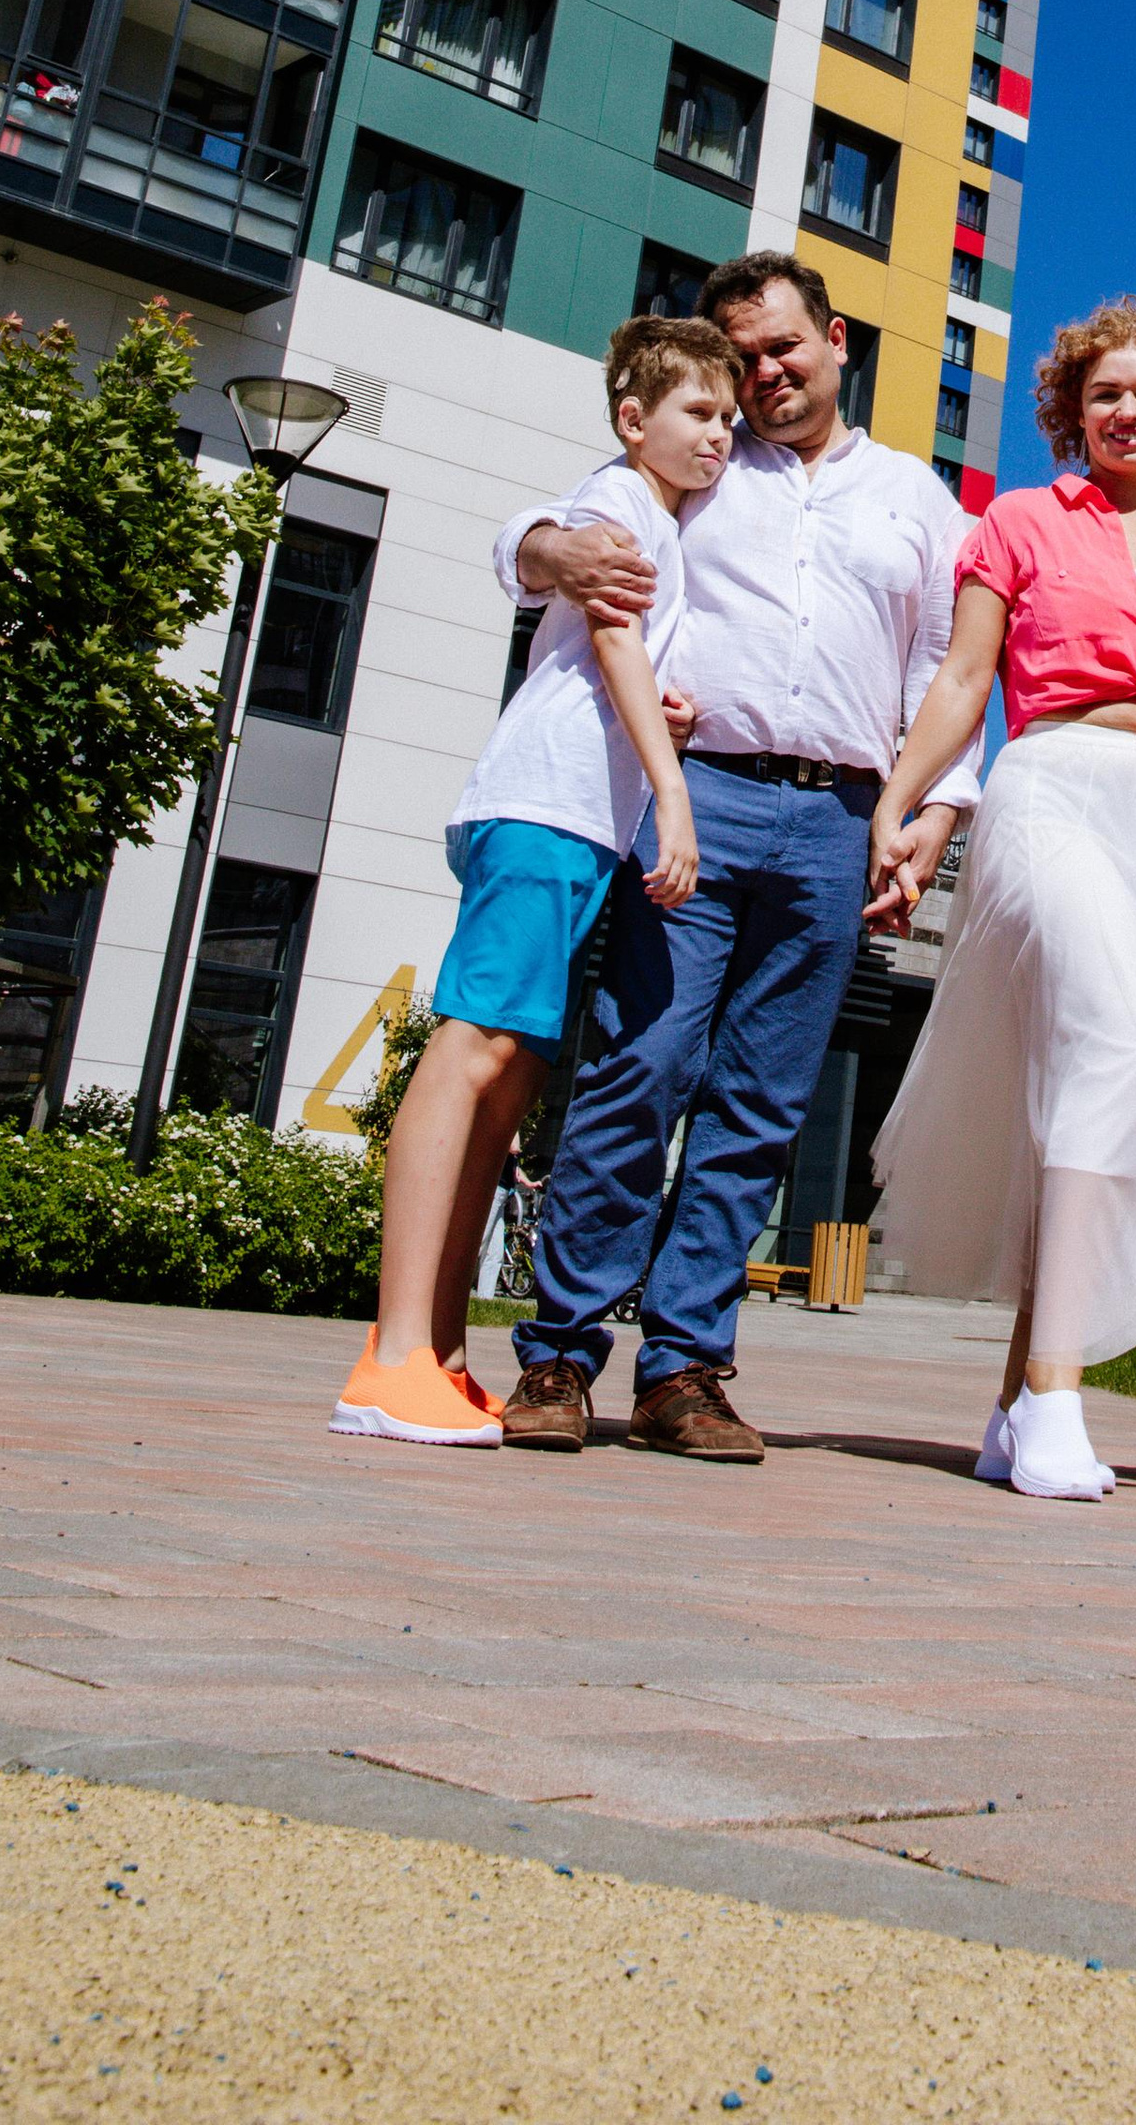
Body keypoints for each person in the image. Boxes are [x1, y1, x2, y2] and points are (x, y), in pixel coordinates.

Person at [484, 256, 976, 1460]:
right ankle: (559, 1354)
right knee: (641, 1066)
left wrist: (933, 815)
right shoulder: (698, 464)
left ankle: (685, 1370)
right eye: (743, 358)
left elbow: (943, 670)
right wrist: (544, 547)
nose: (763, 375)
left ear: (837, 341)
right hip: (698, 802)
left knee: (759, 1104)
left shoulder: (917, 498)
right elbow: (545, 536)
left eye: (783, 349)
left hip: (840, 820)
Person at [864, 301, 1136, 1500]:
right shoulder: (1020, 522)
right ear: (1072, 413)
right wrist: (900, 799)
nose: (1128, 411)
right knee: (1118, 1051)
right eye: (1104, 394)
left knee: (1114, 1083)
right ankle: (1059, 1400)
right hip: (1053, 789)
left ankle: (1015, 1406)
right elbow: (964, 676)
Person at [331, 314, 737, 1446]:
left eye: (727, 418)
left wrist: (662, 715)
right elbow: (609, 643)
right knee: (472, 1051)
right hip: (544, 810)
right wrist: (673, 793)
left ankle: (438, 1351)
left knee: (509, 1075)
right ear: (633, 419)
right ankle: (391, 1355)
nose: (717, 435)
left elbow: (615, 662)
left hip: (576, 824)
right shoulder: (616, 504)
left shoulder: (655, 518)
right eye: (698, 412)